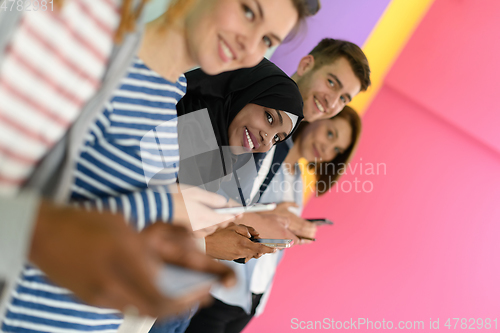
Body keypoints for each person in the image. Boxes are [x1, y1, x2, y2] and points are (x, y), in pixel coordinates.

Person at [1, 1, 312, 332]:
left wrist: (184, 243)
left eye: (267, 40)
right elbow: (43, 219)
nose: (249, 45)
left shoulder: (168, 99)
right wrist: (177, 212)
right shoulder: (96, 52)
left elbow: (124, 225)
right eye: (248, 12)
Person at [186, 106, 362, 333]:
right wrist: (270, 216)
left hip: (251, 300)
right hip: (221, 288)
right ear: (318, 119)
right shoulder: (266, 152)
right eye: (330, 134)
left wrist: (290, 230)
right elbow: (222, 202)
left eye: (336, 149)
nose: (327, 149)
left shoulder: (298, 179)